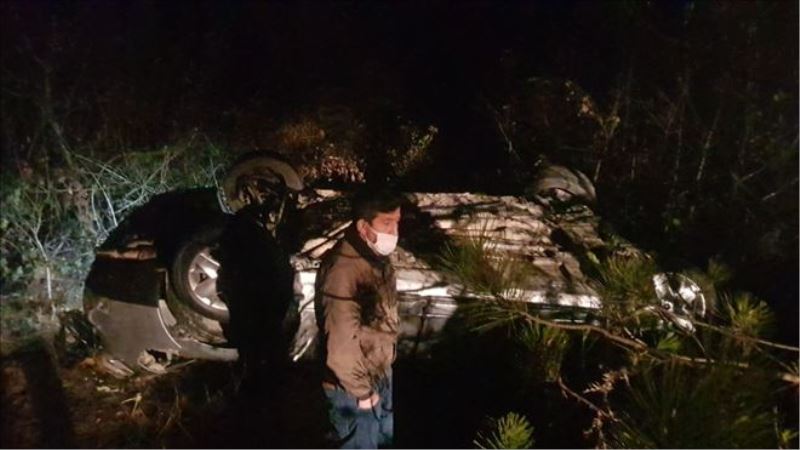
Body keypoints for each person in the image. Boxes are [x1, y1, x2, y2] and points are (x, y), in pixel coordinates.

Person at [315, 189, 403, 449]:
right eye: (386, 223)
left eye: (397, 223)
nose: (394, 232)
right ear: (364, 227)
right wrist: (363, 393)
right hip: (352, 390)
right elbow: (341, 346)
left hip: (379, 374)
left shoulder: (375, 259)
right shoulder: (342, 272)